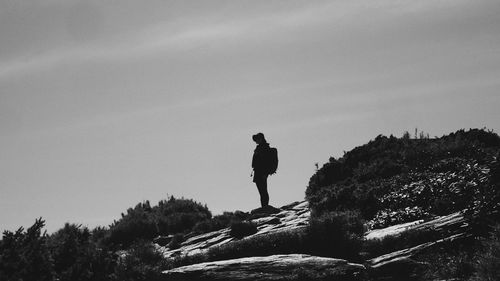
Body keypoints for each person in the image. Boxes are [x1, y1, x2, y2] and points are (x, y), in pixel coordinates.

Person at [251, 132, 270, 208]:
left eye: (257, 139)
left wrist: (265, 173)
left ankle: (265, 207)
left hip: (262, 172)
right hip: (259, 172)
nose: (256, 141)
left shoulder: (264, 148)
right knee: (262, 191)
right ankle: (264, 206)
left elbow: (265, 162)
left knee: (263, 191)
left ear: (261, 139)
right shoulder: (260, 148)